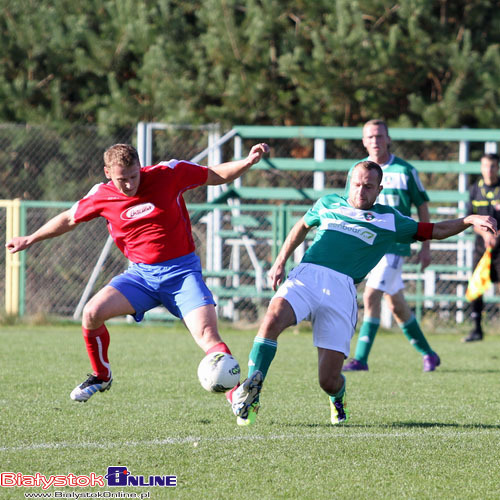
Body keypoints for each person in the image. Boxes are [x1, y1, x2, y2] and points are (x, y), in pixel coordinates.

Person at [6, 142, 267, 420]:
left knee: (208, 337)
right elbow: (70, 218)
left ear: (140, 167)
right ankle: (101, 376)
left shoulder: (168, 173)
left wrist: (247, 163)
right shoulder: (101, 195)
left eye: (134, 176)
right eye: (122, 179)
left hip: (182, 275)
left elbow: (214, 174)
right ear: (108, 173)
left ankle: (239, 399)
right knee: (92, 313)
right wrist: (30, 238)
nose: (130, 184)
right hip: (141, 276)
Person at [231, 160, 497, 426]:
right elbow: (302, 225)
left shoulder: (389, 219)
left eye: (368, 186)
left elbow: (434, 230)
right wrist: (280, 260)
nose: (361, 190)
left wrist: (468, 219)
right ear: (350, 181)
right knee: (272, 317)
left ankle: (338, 395)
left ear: (379, 189)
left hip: (342, 291)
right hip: (307, 275)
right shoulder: (328, 204)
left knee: (328, 380)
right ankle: (251, 394)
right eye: (357, 184)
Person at [343, 119, 440, 372]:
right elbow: (350, 205)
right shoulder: (358, 170)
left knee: (371, 295)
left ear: (388, 139)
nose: (375, 141)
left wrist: (426, 246)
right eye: (370, 137)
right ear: (364, 141)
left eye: (379, 136)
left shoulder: (405, 170)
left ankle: (361, 359)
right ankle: (429, 354)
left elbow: (422, 205)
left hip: (394, 246)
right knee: (396, 305)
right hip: (367, 245)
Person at [463, 153, 500, 342]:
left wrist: (496, 235)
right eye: (485, 166)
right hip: (482, 247)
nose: (489, 170)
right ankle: (477, 329)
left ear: (498, 167)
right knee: (476, 286)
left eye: (492, 166)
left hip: (499, 247)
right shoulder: (474, 189)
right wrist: (486, 234)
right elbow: (470, 218)